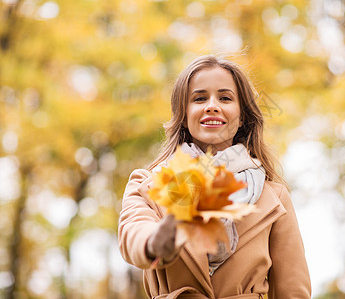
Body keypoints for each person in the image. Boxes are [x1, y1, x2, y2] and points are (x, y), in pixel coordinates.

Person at [118, 55, 311, 299]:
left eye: (225, 98)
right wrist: (155, 243)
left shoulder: (274, 196)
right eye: (199, 98)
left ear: (242, 117)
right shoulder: (147, 184)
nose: (212, 105)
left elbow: (292, 291)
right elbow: (132, 234)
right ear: (184, 116)